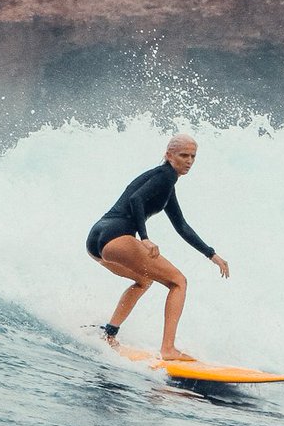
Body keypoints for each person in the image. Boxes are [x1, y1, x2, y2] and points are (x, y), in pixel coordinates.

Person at [86, 133, 229, 360]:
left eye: (193, 156)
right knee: (178, 282)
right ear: (169, 155)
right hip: (116, 237)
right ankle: (168, 350)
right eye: (183, 155)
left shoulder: (164, 183)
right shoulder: (165, 177)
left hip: (97, 238)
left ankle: (109, 333)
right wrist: (144, 237)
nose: (189, 161)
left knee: (144, 280)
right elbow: (136, 200)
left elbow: (181, 226)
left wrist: (211, 254)